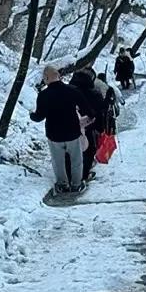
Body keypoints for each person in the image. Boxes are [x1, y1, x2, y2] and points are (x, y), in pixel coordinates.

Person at [30, 66, 84, 195]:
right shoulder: (72, 90)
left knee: (58, 161)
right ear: (58, 76)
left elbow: (39, 116)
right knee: (76, 160)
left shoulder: (43, 95)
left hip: (54, 134)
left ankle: (62, 184)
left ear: (47, 78)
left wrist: (31, 115)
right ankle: (76, 184)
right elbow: (84, 106)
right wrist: (91, 115)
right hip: (72, 132)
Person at [70, 66, 107, 179]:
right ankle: (83, 175)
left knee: (69, 152)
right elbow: (99, 113)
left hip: (67, 126)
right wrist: (101, 128)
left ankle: (69, 173)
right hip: (88, 127)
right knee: (88, 151)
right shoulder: (95, 94)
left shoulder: (67, 91)